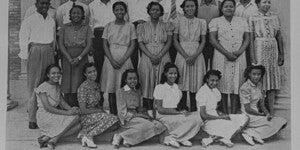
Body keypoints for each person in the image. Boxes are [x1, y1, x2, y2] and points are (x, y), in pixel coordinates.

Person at [19, 0, 56, 129]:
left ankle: (48, 116)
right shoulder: (29, 20)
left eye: (47, 3)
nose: (44, 6)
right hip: (35, 51)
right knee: (34, 84)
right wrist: (25, 57)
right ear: (36, 5)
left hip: (49, 51)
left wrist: (54, 53)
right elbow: (23, 40)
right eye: (42, 3)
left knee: (48, 83)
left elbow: (54, 39)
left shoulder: (51, 20)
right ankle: (32, 118)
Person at [209, 0, 250, 114]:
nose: (228, 9)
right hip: (221, 54)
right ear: (221, 9)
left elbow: (247, 39)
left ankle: (234, 111)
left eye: (231, 6)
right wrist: (226, 53)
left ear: (235, 8)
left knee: (237, 81)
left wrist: (239, 52)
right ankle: (224, 110)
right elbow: (212, 39)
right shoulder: (215, 21)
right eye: (226, 6)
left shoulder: (242, 20)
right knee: (222, 81)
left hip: (239, 55)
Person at [112, 69, 166, 148]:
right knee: (149, 125)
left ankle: (125, 137)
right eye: (130, 79)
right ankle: (121, 136)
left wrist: (146, 116)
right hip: (127, 118)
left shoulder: (138, 91)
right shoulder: (121, 91)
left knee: (159, 125)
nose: (133, 81)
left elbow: (139, 108)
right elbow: (121, 111)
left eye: (135, 78)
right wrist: (137, 116)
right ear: (125, 80)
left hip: (137, 116)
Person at [153, 62, 202, 148]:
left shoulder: (177, 88)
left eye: (175, 73)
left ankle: (179, 138)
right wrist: (178, 113)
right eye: (170, 73)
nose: (173, 76)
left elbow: (177, 107)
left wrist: (183, 112)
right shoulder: (160, 87)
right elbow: (160, 109)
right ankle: (171, 138)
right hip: (163, 115)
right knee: (181, 119)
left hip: (174, 114)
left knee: (198, 117)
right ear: (165, 74)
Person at [137, 2, 173, 116]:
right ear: (149, 11)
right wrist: (151, 56)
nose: (155, 12)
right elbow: (141, 43)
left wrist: (159, 55)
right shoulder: (141, 26)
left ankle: (162, 112)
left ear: (161, 12)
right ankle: (148, 112)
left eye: (157, 10)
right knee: (147, 82)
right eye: (152, 10)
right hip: (147, 56)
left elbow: (169, 42)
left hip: (163, 55)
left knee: (162, 82)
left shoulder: (167, 25)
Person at [249, 0, 284, 116]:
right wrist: (253, 56)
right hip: (259, 47)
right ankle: (261, 110)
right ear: (258, 4)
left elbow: (278, 36)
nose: (267, 4)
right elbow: (251, 38)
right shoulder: (253, 17)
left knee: (272, 80)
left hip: (272, 49)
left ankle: (272, 111)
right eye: (264, 2)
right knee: (260, 79)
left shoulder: (274, 16)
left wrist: (281, 54)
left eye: (269, 2)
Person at [196, 70, 249, 148]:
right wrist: (221, 117)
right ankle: (217, 139)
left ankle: (221, 138)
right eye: (212, 80)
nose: (214, 83)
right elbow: (203, 115)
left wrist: (223, 115)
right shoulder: (202, 92)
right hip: (207, 121)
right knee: (231, 124)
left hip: (216, 116)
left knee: (245, 118)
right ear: (207, 79)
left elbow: (215, 109)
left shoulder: (215, 91)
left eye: (216, 80)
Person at [101, 1, 136, 115]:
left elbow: (132, 44)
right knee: (111, 86)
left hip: (125, 58)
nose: (119, 12)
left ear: (125, 11)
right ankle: (113, 114)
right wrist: (111, 59)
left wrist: (123, 59)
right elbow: (105, 44)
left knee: (123, 86)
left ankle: (124, 113)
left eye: (122, 9)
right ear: (113, 11)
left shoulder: (130, 26)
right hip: (110, 58)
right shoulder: (108, 25)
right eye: (117, 10)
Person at [35, 64, 81, 150]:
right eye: (53, 73)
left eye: (58, 73)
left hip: (53, 114)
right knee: (77, 118)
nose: (56, 75)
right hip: (44, 116)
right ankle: (54, 138)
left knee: (79, 125)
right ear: (48, 75)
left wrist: (72, 109)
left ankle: (50, 138)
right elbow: (47, 107)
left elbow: (62, 103)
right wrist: (67, 113)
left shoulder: (57, 86)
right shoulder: (42, 87)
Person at [239, 65, 287, 146]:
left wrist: (267, 113)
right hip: (248, 115)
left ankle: (252, 133)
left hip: (257, 114)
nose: (256, 76)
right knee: (272, 124)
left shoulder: (260, 85)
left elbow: (261, 105)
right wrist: (261, 115)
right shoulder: (245, 87)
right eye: (254, 74)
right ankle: (251, 133)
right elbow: (247, 109)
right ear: (249, 74)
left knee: (282, 122)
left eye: (259, 74)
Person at [173, 0, 206, 112]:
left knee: (195, 81)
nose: (190, 8)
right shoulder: (178, 20)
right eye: (187, 6)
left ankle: (194, 108)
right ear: (183, 8)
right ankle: (182, 107)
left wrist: (195, 55)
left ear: (196, 7)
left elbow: (203, 41)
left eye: (192, 6)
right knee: (182, 80)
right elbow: (175, 40)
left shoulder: (201, 22)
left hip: (197, 53)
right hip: (182, 52)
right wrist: (186, 56)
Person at [77, 63, 119, 148]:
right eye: (90, 72)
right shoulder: (82, 88)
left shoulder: (97, 85)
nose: (93, 74)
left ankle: (85, 134)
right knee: (113, 119)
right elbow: (83, 110)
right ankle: (89, 136)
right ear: (85, 74)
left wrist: (102, 111)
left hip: (96, 115)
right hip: (86, 116)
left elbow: (98, 104)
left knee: (115, 124)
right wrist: (99, 111)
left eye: (94, 71)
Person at [58, 5, 92, 107]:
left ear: (82, 15)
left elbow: (89, 45)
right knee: (67, 81)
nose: (76, 15)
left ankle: (80, 106)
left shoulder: (87, 28)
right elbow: (61, 44)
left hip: (81, 57)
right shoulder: (64, 27)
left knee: (79, 81)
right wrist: (69, 58)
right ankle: (68, 107)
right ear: (70, 15)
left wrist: (79, 58)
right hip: (67, 57)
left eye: (78, 13)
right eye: (73, 13)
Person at [88, 0, 120, 107]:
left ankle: (115, 100)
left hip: (115, 35)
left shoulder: (116, 3)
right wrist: (92, 43)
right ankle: (99, 100)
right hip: (98, 36)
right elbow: (90, 25)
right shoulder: (92, 5)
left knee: (115, 66)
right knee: (99, 68)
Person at [197, 0, 220, 70]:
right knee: (202, 62)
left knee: (214, 62)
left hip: (215, 37)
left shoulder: (219, 4)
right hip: (201, 37)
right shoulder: (197, 3)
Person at [234, 0, 258, 66]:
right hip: (238, 38)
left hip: (253, 38)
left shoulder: (256, 6)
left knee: (252, 61)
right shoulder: (235, 6)